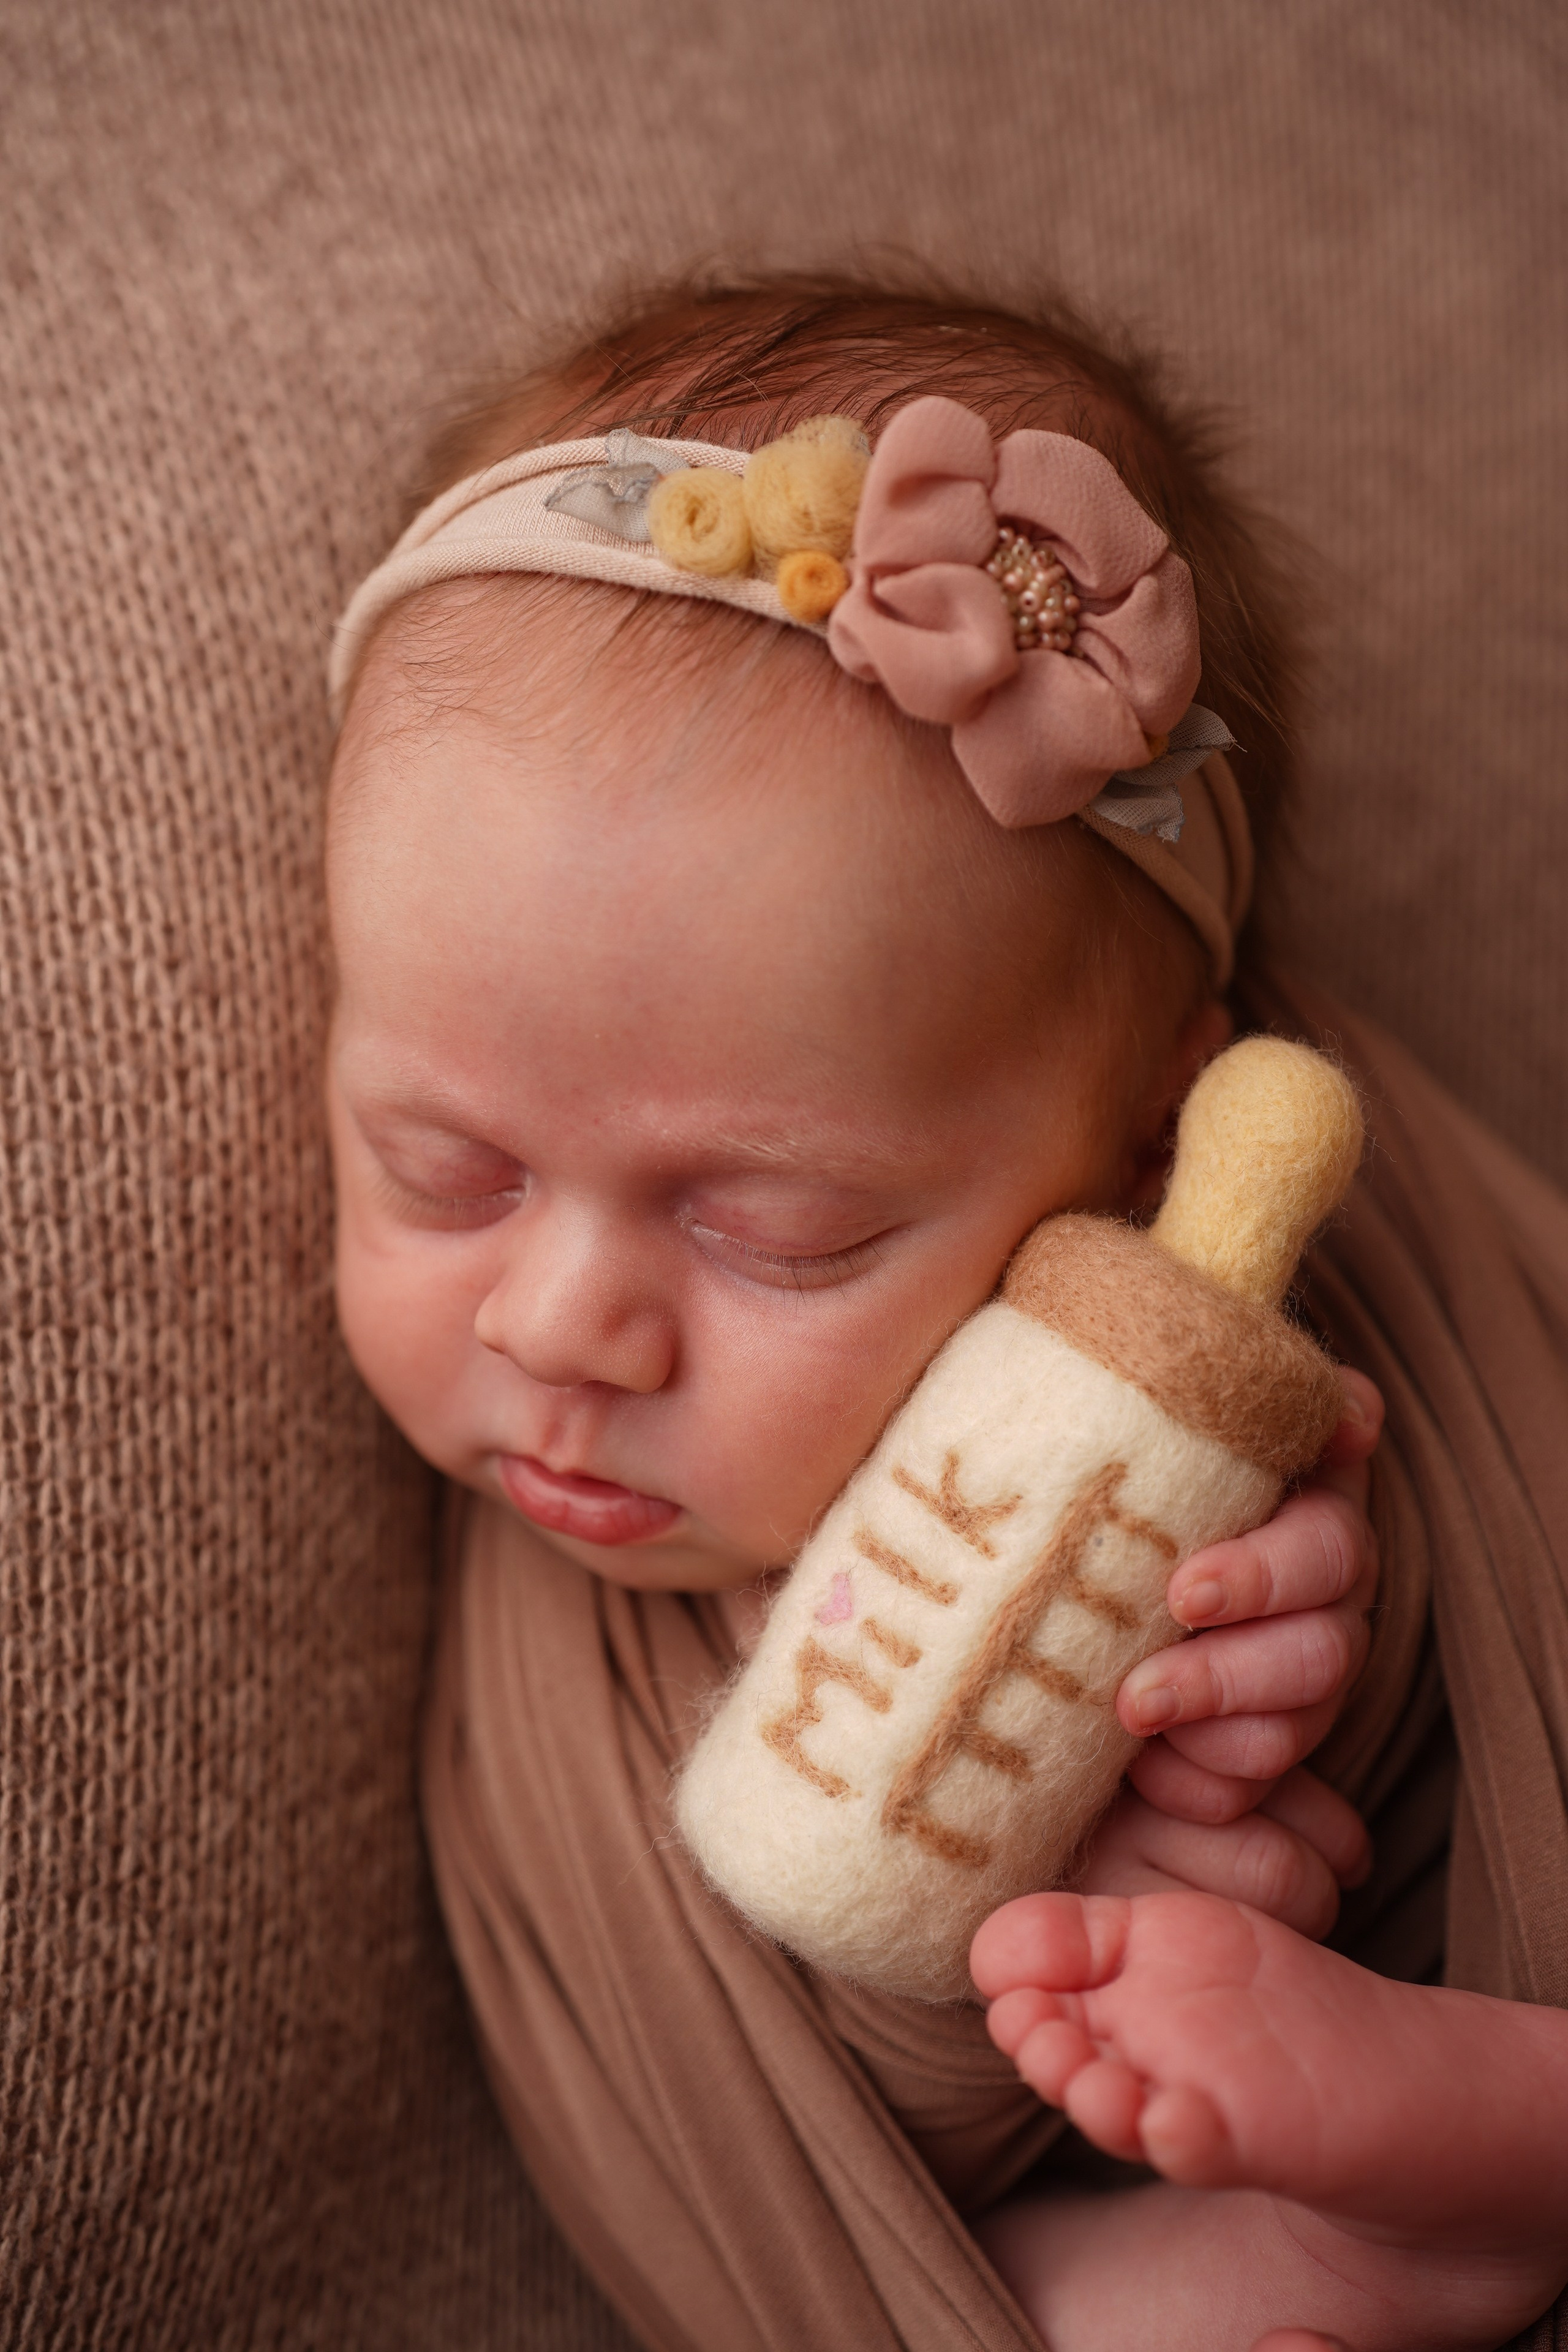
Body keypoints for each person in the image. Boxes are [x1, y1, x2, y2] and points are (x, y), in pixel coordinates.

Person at [322, 279, 1568, 2350]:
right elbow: (741, 2143)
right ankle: (1352, 2249)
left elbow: (1483, 1466)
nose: (557, 1330)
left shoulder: (1297, 1234)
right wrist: (1049, 1935)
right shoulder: (560, 1674)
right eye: (444, 1169)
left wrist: (1246, 1705)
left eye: (785, 1233)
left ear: (1154, 1128)